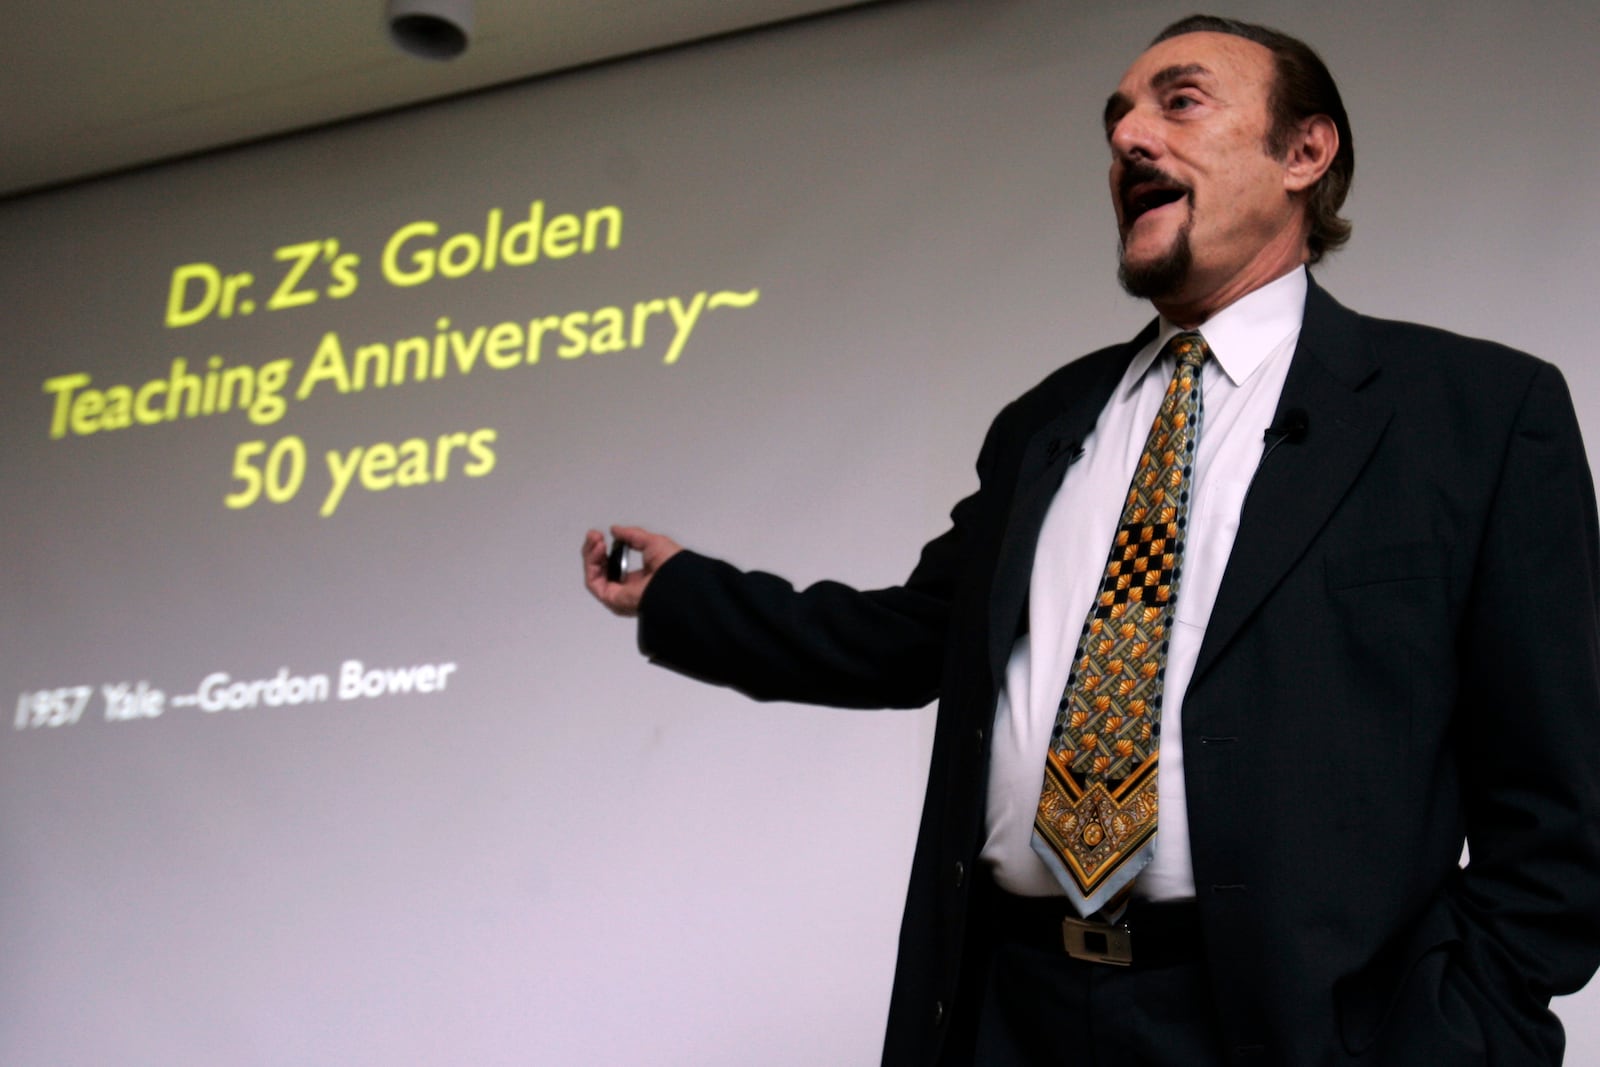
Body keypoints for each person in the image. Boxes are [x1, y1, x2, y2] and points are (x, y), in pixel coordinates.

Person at [582, 14, 1600, 1066]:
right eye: (1115, 117)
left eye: (1180, 101)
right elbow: (912, 634)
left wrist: (1460, 1037)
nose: (1127, 138)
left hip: (1290, 1031)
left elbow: (1560, 810)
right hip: (1007, 1013)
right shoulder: (1044, 422)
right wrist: (681, 595)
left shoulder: (1471, 415)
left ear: (1305, 152)